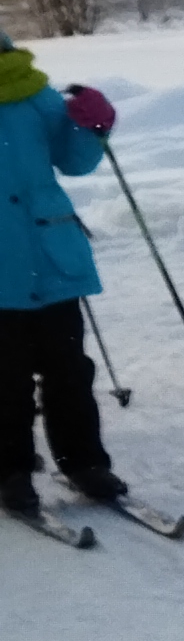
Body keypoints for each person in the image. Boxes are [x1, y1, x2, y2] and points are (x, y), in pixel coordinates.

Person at [0, 32, 129, 519]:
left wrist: (92, 125)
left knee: (69, 369)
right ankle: (10, 472)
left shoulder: (32, 90)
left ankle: (85, 464)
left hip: (50, 253)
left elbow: (75, 161)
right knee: (5, 378)